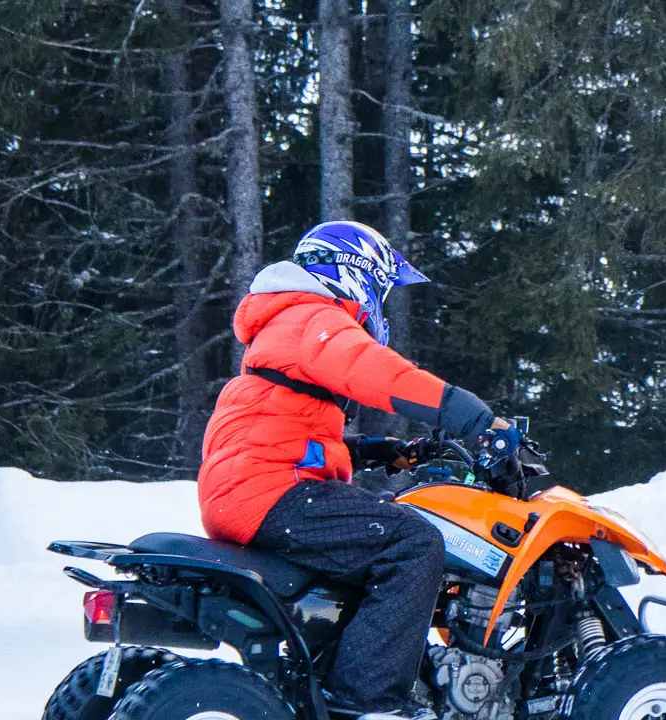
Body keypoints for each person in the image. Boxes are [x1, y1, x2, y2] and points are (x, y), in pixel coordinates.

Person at [198, 221, 515, 720]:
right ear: (355, 272)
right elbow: (379, 373)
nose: (380, 304)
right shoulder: (314, 317)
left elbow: (281, 430)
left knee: (377, 536)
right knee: (412, 543)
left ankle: (337, 679)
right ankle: (365, 704)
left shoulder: (287, 322)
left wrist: (373, 451)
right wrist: (478, 420)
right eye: (381, 288)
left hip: (250, 490)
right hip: (273, 494)